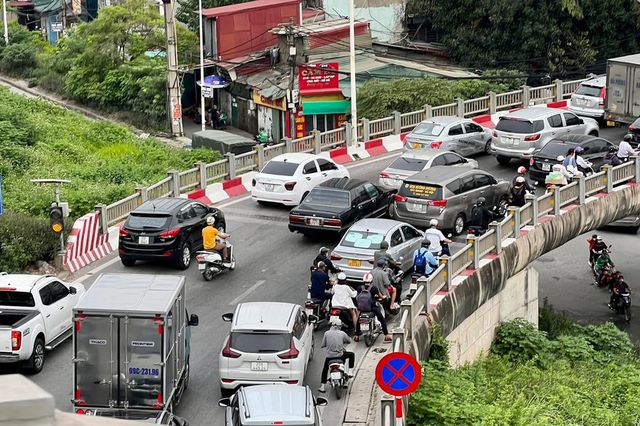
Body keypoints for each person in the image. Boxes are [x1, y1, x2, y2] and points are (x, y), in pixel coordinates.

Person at [318, 317, 355, 393]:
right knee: (351, 355)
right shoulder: (342, 333)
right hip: (340, 356)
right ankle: (350, 372)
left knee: (325, 369)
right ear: (338, 326)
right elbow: (349, 341)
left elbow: (323, 345)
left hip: (329, 357)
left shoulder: (326, 333)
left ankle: (322, 386)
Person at [355, 273, 391, 342]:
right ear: (371, 280)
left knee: (358, 320)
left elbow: (357, 297)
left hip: (362, 308)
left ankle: (356, 335)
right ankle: (386, 335)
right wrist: (384, 297)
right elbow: (381, 296)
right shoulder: (373, 288)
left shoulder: (360, 288)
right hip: (371, 307)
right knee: (381, 318)